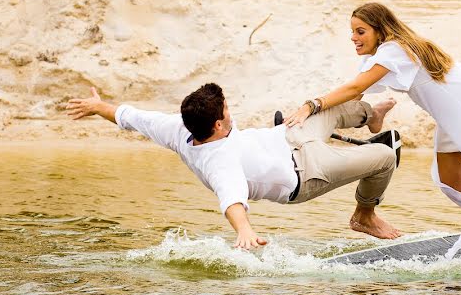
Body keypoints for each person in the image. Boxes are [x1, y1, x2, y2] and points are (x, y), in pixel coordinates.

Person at [284, 3, 461, 258]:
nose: (354, 38)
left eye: (360, 31)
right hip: (456, 108)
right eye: (352, 32)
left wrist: (311, 106)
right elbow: (354, 92)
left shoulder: (393, 50)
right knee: (449, 181)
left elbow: (355, 89)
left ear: (380, 30)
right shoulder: (387, 53)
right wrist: (310, 118)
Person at [67, 83, 401, 249]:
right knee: (385, 158)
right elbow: (232, 200)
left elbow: (129, 116)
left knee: (335, 106)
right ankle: (365, 216)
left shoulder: (178, 126)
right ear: (216, 125)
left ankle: (373, 116)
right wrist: (244, 231)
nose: (230, 109)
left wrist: (98, 107)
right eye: (226, 109)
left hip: (285, 137)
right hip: (306, 174)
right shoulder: (219, 162)